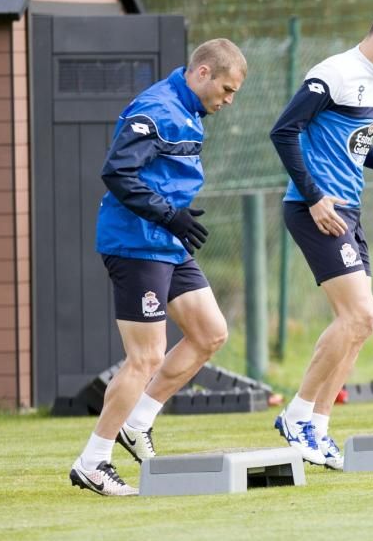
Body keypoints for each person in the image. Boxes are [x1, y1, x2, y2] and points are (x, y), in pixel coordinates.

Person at [69, 39, 248, 496]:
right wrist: (168, 213)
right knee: (145, 357)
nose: (228, 100)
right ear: (202, 73)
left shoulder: (190, 112)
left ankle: (138, 422)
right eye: (226, 89)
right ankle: (93, 461)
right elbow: (117, 172)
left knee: (210, 333)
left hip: (168, 241)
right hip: (135, 242)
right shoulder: (155, 108)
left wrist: (173, 219)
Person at [269, 2, 373, 469]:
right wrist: (315, 196)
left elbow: (354, 149)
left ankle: (317, 428)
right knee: (357, 312)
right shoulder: (334, 73)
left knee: (363, 322)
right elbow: (284, 131)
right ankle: (297, 416)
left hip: (348, 210)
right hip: (316, 210)